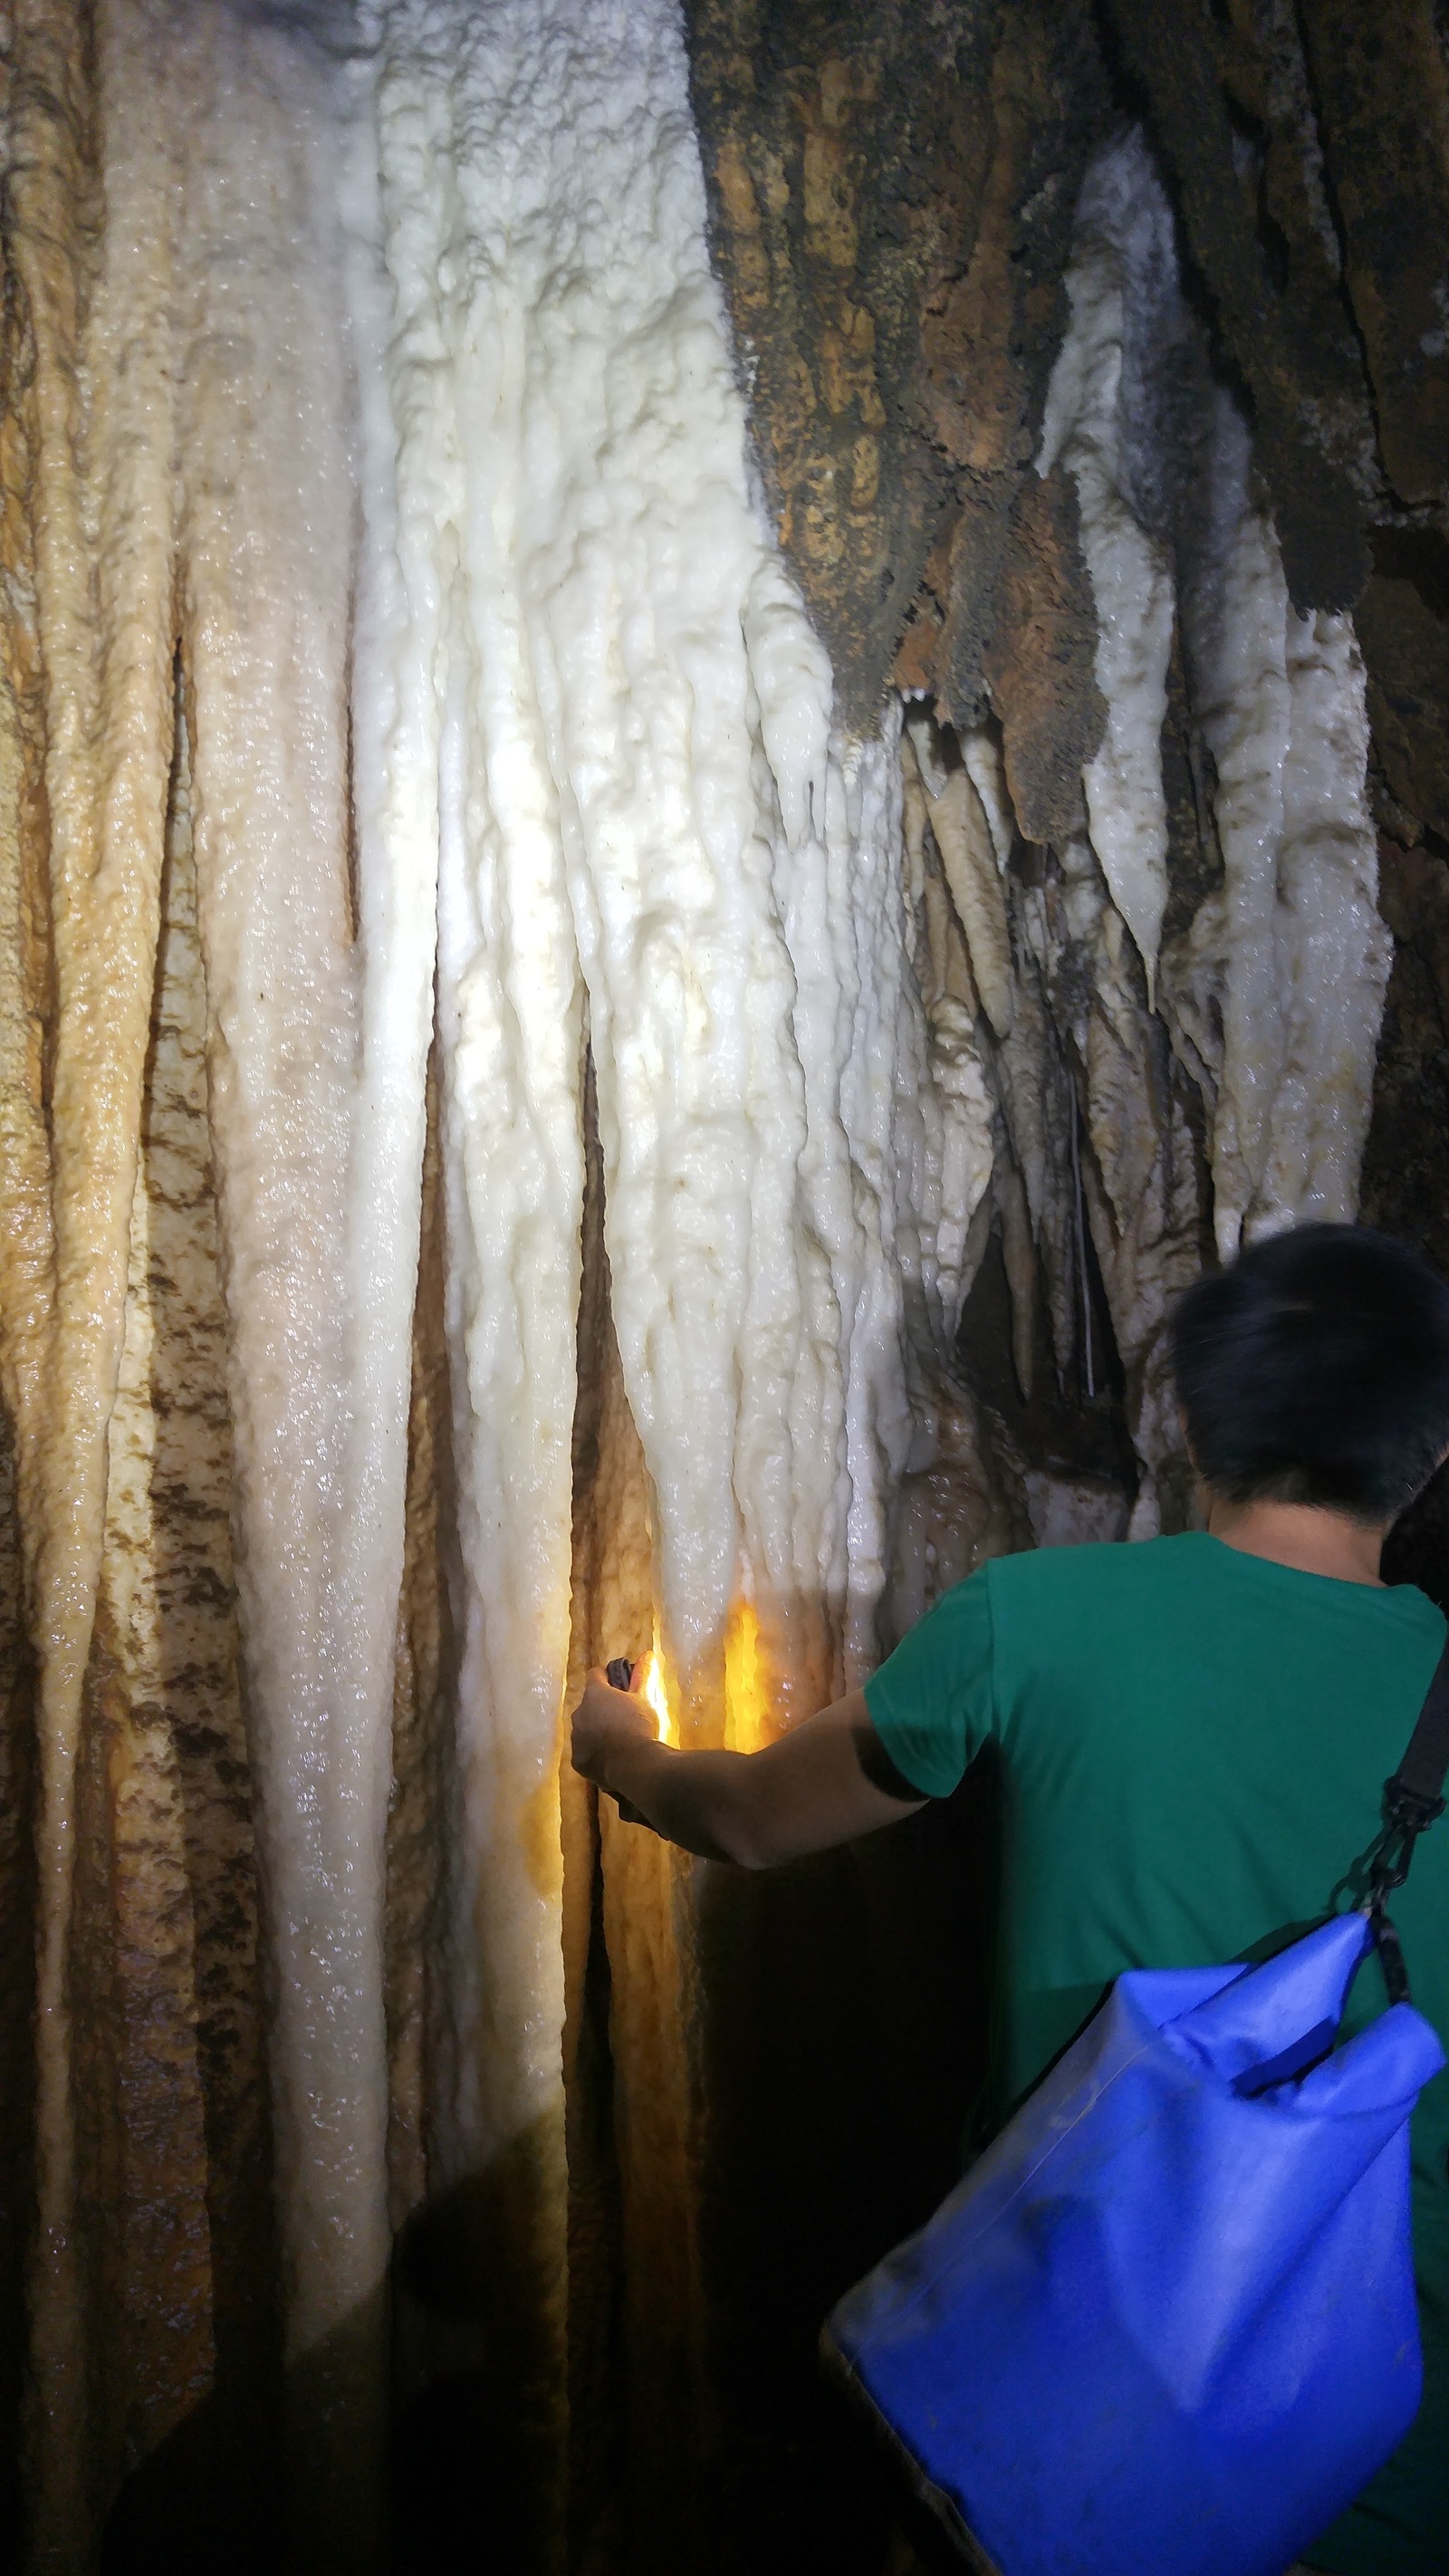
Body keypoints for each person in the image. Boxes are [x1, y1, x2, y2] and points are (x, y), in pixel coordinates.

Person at [571, 1223, 1449, 2576]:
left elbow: (748, 1821)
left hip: (1062, 2405)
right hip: (1376, 2432)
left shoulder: (1037, 1618)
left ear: (1196, 1419)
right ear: (1431, 1451)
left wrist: (619, 1747)